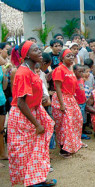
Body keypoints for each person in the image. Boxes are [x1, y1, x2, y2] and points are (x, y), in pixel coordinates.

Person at [7, 41, 56, 186]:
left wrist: (41, 97)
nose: (40, 52)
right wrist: (37, 124)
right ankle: (32, 181)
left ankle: (38, 177)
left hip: (32, 111)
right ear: (27, 54)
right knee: (26, 151)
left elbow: (30, 94)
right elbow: (21, 102)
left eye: (39, 49)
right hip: (24, 116)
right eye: (36, 50)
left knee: (37, 148)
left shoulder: (31, 69)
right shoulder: (22, 72)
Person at [51, 49, 85, 158]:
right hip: (62, 98)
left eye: (72, 56)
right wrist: (62, 104)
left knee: (77, 119)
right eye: (68, 56)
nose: (71, 57)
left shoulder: (69, 69)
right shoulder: (59, 69)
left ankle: (74, 143)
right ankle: (64, 149)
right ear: (62, 58)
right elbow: (58, 87)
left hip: (70, 98)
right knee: (65, 124)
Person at [74, 64, 91, 140]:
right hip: (78, 104)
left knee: (83, 119)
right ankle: (79, 134)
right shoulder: (73, 81)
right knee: (79, 120)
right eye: (79, 71)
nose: (81, 73)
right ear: (74, 71)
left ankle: (83, 131)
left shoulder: (81, 80)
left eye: (82, 71)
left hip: (83, 102)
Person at [0, 53, 8, 165]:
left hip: (1, 100)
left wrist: (5, 73)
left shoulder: (1, 68)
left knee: (1, 130)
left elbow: (5, 86)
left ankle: (2, 153)